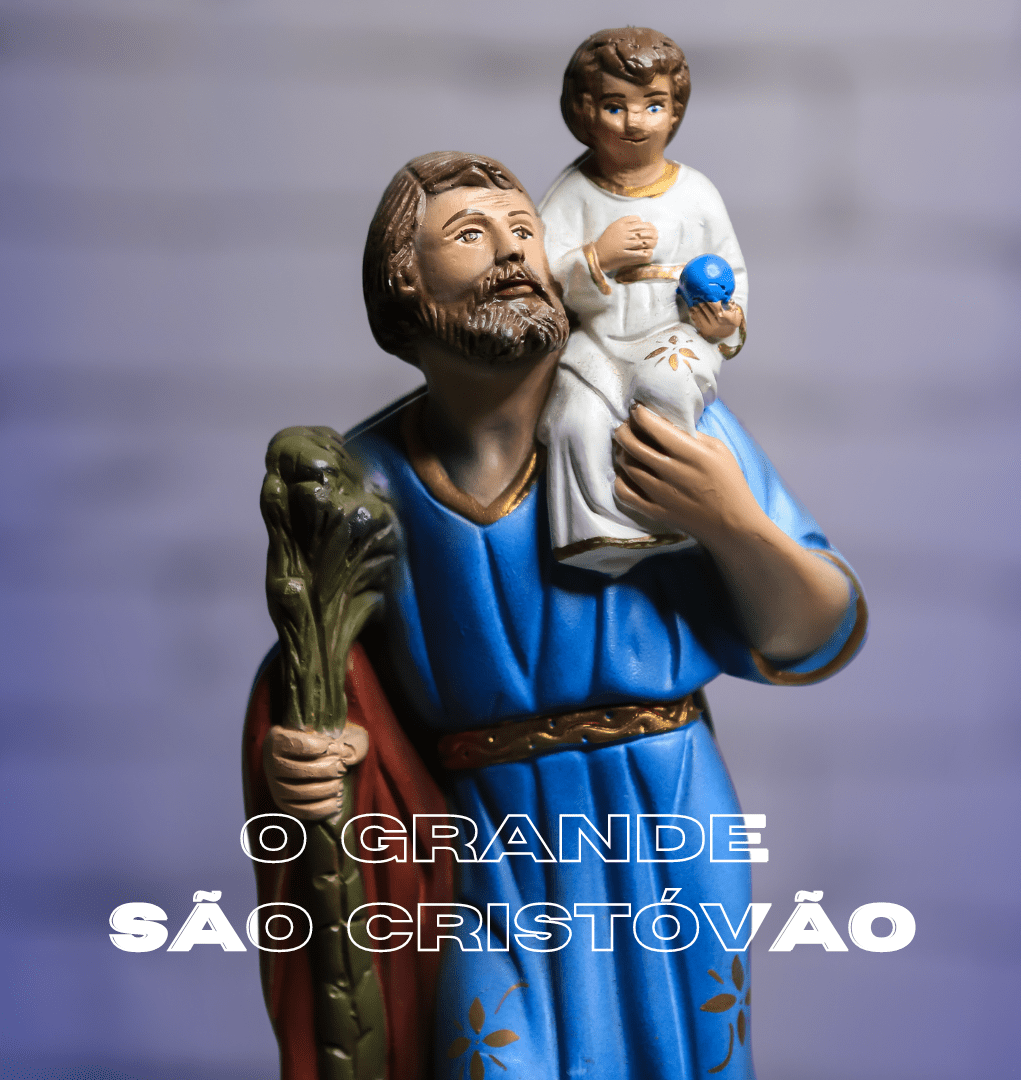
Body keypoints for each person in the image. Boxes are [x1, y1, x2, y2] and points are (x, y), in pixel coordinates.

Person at [250, 150, 866, 1080]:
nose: (511, 253)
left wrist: (730, 521)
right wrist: (302, 755)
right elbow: (322, 677)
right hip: (486, 846)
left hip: (665, 816)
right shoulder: (367, 485)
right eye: (470, 234)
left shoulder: (658, 420)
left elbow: (819, 632)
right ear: (405, 285)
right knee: (493, 1059)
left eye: (523, 230)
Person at [538, 27, 750, 575]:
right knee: (574, 417)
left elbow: (731, 271)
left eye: (653, 105)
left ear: (674, 112)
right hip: (598, 341)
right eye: (616, 107)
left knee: (669, 384)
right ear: (586, 113)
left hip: (673, 332)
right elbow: (540, 275)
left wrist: (723, 322)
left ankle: (668, 515)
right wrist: (598, 256)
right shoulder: (572, 193)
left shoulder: (696, 193)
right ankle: (598, 529)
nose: (636, 122)